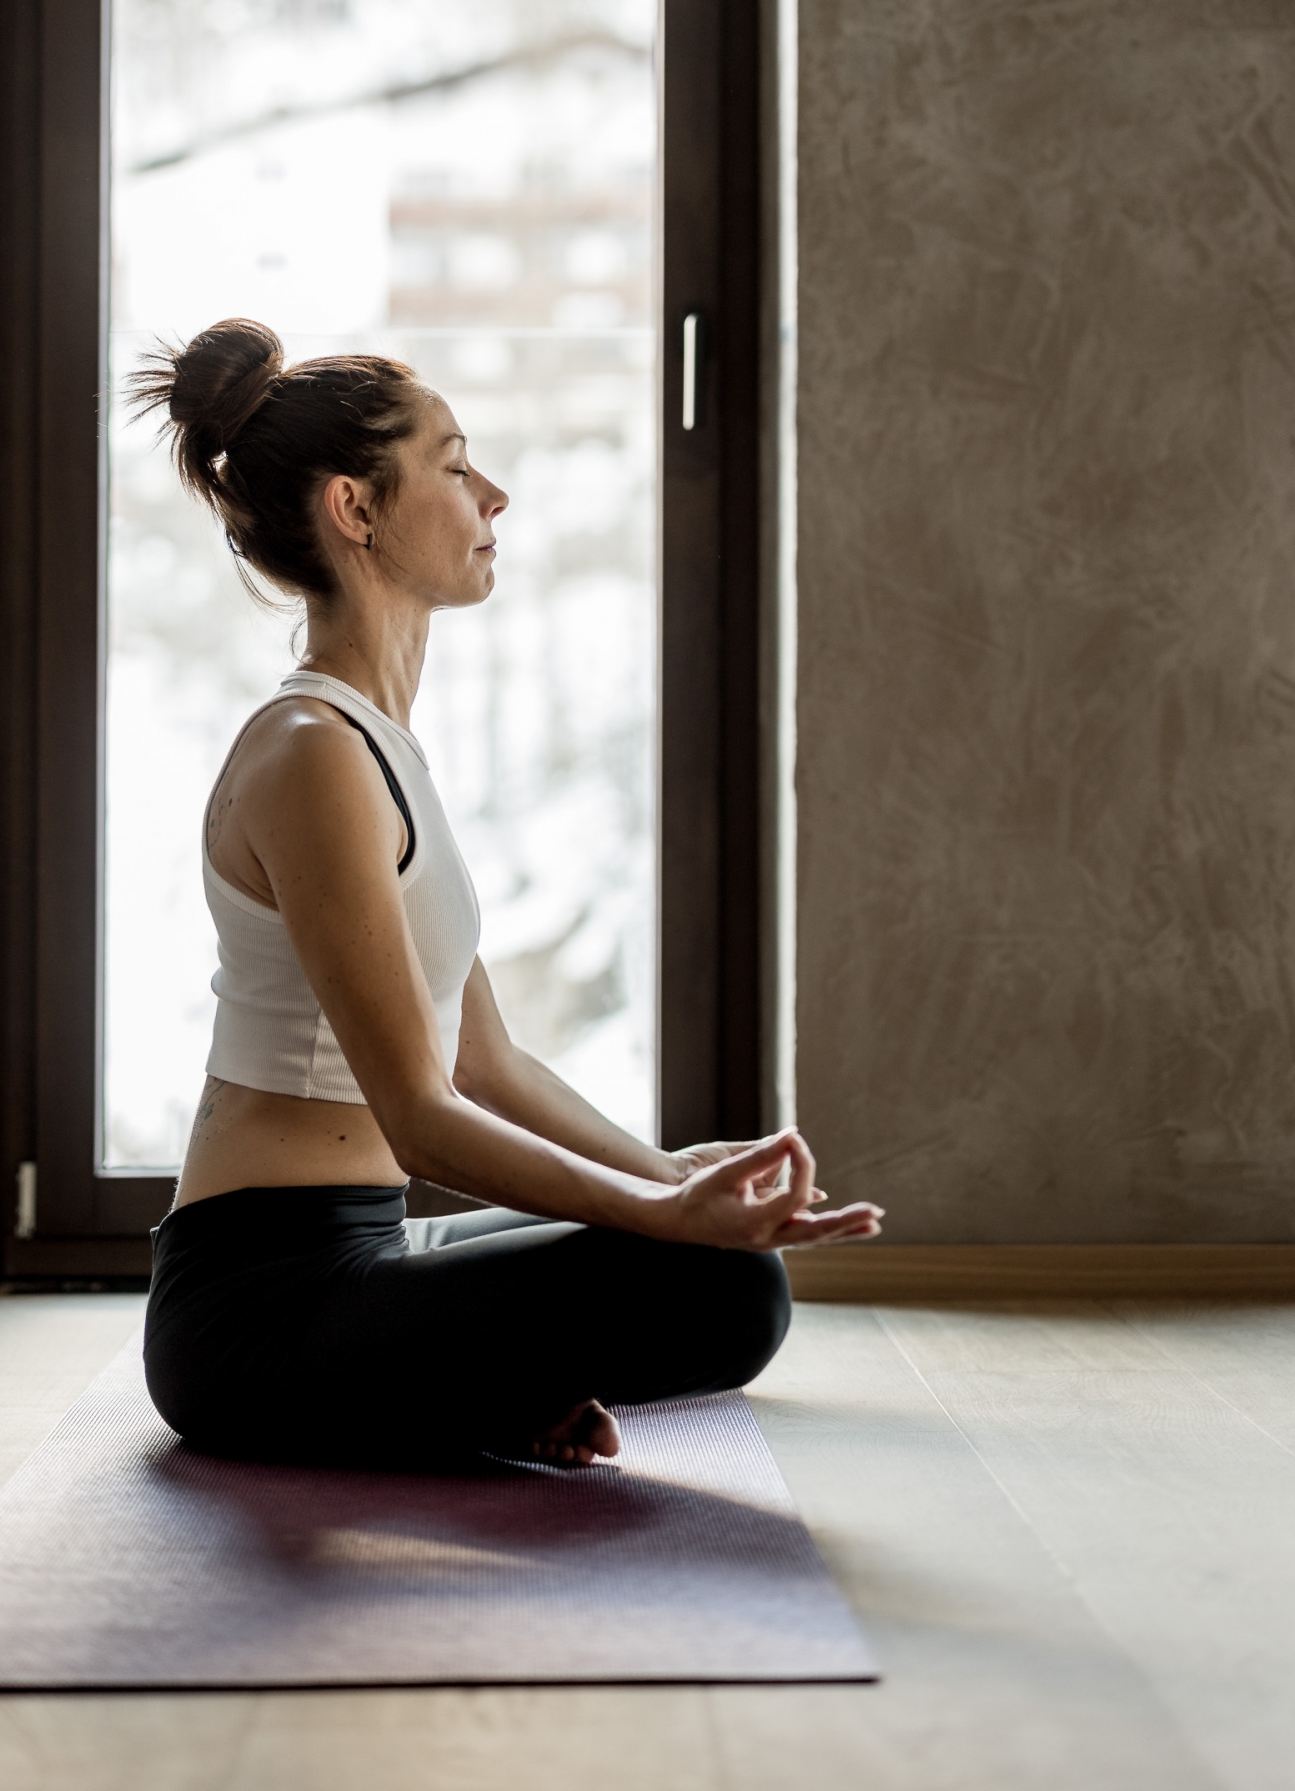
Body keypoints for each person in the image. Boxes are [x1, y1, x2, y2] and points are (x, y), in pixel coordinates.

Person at [135, 318, 883, 1472]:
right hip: (255, 1308)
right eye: (452, 462)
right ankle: (459, 1387)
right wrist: (666, 1216)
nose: (495, 494)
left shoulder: (377, 744)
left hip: (362, 1248)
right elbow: (421, 1114)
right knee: (724, 1285)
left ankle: (460, 1384)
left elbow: (487, 1062)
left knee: (715, 1255)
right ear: (355, 508)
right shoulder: (310, 753)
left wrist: (667, 1172)